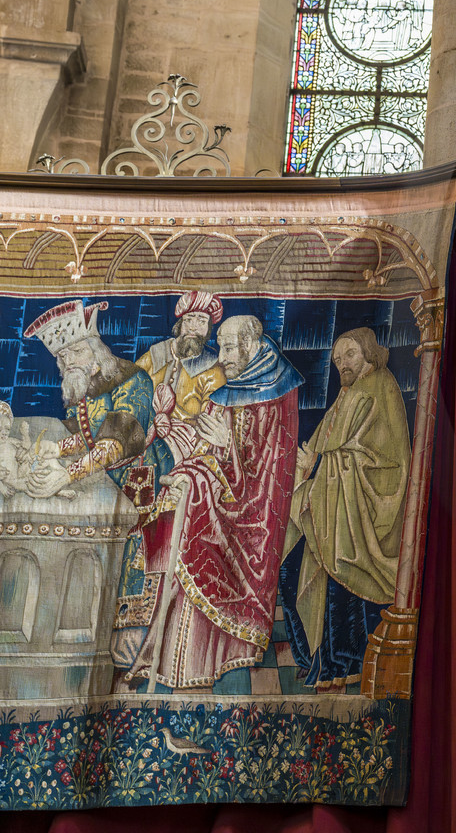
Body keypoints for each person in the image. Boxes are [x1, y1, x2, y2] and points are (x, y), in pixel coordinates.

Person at [130, 314, 303, 689]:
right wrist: (191, 464)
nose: (220, 357)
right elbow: (207, 443)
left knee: (193, 513)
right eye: (220, 347)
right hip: (213, 495)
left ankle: (204, 662)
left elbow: (270, 471)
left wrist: (227, 446)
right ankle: (171, 662)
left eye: (227, 348)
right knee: (185, 498)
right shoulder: (230, 384)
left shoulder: (276, 389)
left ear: (250, 345)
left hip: (250, 512)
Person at [24, 301, 174, 671]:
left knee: (132, 559)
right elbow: (88, 435)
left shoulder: (131, 379)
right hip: (108, 474)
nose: (67, 363)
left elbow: (116, 441)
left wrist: (67, 474)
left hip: (142, 479)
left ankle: (133, 642)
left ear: (96, 350)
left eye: (74, 352)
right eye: (62, 358)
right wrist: (58, 448)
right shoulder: (83, 382)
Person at [279, 327, 411, 689]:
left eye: (350, 355)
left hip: (358, 516)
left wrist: (322, 463)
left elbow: (385, 461)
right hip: (333, 504)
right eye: (338, 360)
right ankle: (315, 658)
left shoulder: (381, 387)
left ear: (369, 352)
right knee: (290, 569)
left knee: (339, 581)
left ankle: (341, 664)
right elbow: (322, 445)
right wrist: (310, 464)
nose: (343, 364)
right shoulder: (347, 394)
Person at [137, 290, 226, 424]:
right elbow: (131, 389)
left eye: (202, 321)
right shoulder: (155, 354)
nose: (193, 328)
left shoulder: (214, 369)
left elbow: (210, 420)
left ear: (208, 328)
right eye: (188, 320)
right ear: (179, 324)